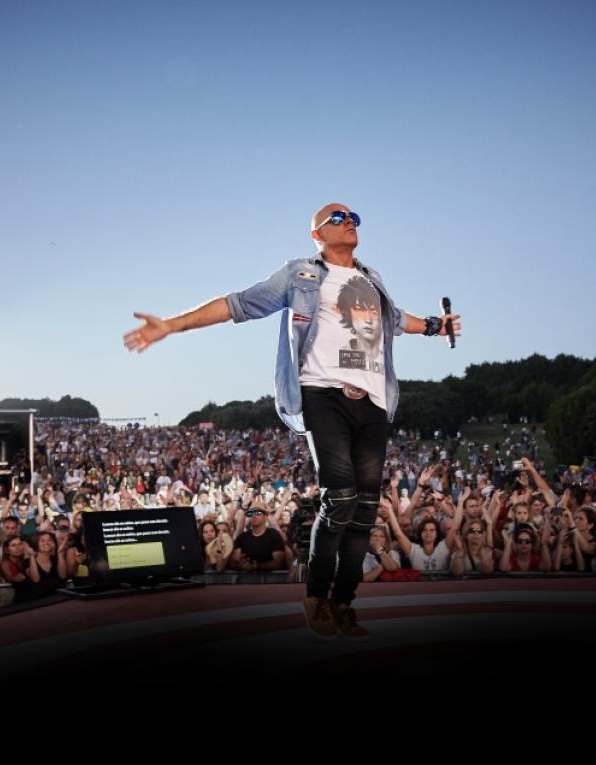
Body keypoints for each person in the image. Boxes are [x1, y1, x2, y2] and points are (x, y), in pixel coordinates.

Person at [124, 203, 460, 639]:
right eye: (337, 217)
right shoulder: (301, 273)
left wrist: (437, 325)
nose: (350, 221)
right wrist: (171, 325)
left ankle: (343, 602)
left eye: (355, 217)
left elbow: (399, 322)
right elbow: (237, 304)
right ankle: (316, 597)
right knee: (339, 497)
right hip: (322, 392)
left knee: (363, 512)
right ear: (316, 233)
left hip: (374, 401)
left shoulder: (373, 280)